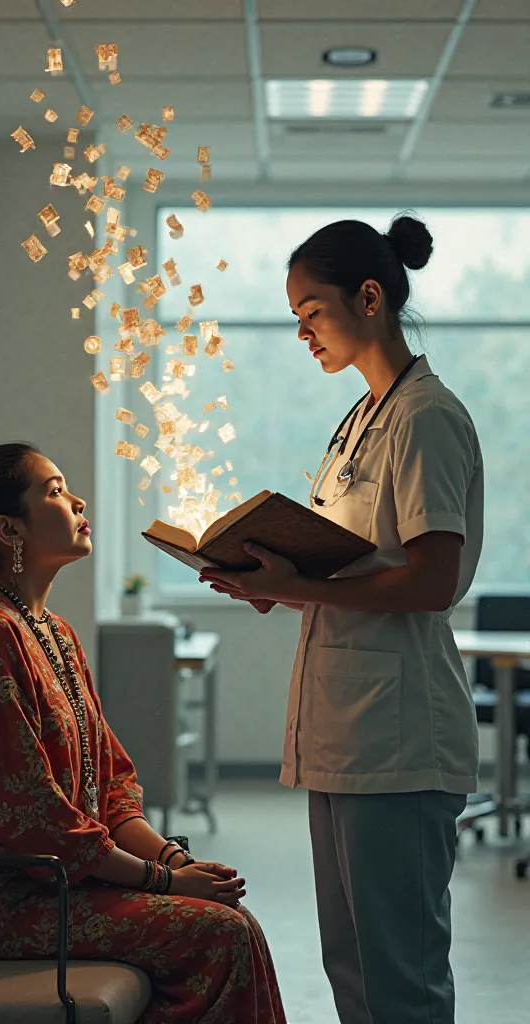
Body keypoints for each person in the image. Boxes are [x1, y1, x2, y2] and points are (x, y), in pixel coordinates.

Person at [199, 215, 483, 1024]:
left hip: (400, 740)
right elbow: (351, 565)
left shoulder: (426, 417)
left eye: (310, 311)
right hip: (347, 736)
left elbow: (431, 582)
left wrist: (304, 589)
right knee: (351, 966)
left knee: (401, 976)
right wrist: (277, 581)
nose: (301, 333)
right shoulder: (360, 419)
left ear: (369, 297)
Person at [0, 443, 286, 1024]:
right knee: (221, 936)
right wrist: (164, 880)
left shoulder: (50, 631)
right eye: (55, 491)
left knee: (232, 923)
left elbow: (110, 783)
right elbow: (31, 820)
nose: (78, 499)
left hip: (53, 876)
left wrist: (167, 858)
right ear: (9, 529)